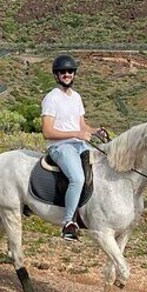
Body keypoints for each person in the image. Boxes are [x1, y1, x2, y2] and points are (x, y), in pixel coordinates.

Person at [40, 54, 104, 241]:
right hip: (60, 146)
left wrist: (94, 131)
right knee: (77, 178)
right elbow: (47, 131)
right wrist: (76, 134)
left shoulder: (76, 97)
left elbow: (81, 126)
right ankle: (68, 223)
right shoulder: (51, 98)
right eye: (63, 72)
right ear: (57, 75)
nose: (67, 74)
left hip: (79, 144)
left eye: (70, 71)